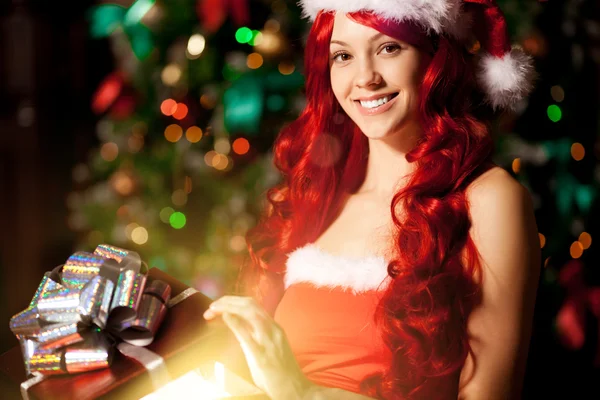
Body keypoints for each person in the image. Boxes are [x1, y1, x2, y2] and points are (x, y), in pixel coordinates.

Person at [203, 1, 541, 399]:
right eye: (343, 55)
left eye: (389, 48)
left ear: (436, 59)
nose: (364, 78)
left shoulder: (489, 199)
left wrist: (304, 393)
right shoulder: (314, 197)